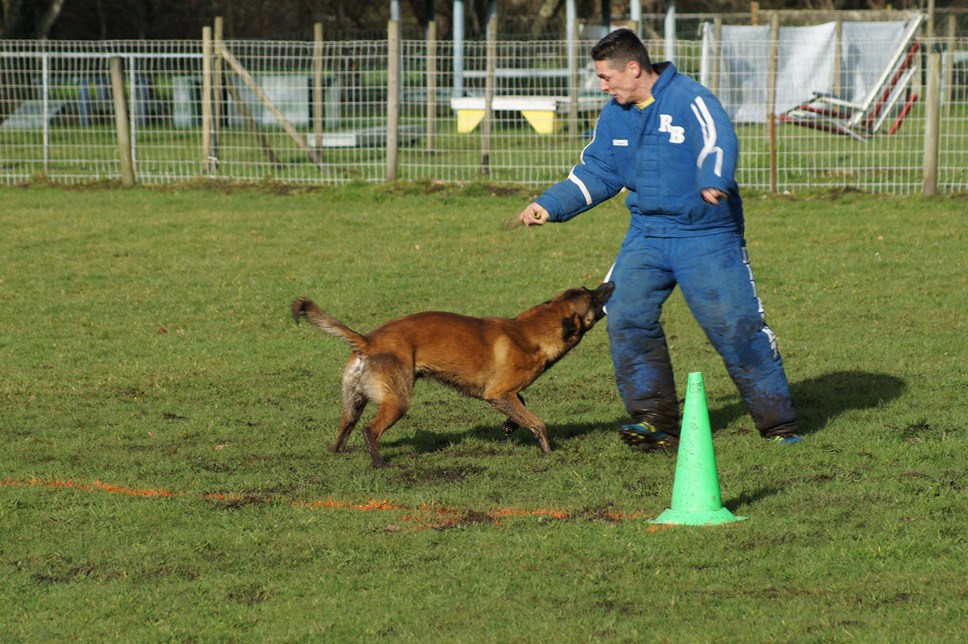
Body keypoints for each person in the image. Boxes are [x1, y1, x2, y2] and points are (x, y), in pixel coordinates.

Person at [517, 28, 801, 448]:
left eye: (605, 77)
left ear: (633, 68)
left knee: (734, 326)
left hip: (706, 234)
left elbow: (718, 141)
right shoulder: (615, 113)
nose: (602, 85)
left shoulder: (691, 99)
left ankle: (778, 426)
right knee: (625, 314)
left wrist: (713, 179)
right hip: (647, 234)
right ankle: (655, 422)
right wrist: (551, 204)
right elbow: (600, 171)